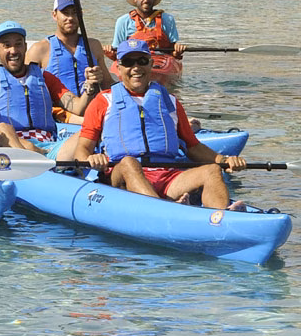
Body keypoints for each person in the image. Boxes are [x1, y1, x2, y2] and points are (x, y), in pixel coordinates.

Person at [73, 39, 246, 210]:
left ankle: (222, 217)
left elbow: (193, 146)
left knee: (212, 171)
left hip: (166, 175)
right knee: (129, 163)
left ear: (150, 64)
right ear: (118, 68)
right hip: (120, 176)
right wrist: (90, 158)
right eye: (128, 62)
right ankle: (165, 210)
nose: (136, 68)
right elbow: (82, 149)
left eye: (142, 61)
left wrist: (224, 160)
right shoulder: (103, 101)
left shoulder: (170, 101)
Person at [0, 21, 96, 157]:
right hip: (11, 146)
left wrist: (89, 87)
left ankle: (51, 165)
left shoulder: (44, 76)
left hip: (49, 147)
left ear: (25, 47)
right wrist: (28, 146)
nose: (13, 51)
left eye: (18, 44)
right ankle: (30, 161)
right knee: (2, 128)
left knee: (90, 130)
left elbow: (78, 107)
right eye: (7, 45)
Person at [27, 0, 112, 122]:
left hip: (93, 116)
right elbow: (28, 92)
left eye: (75, 12)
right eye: (65, 13)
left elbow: (107, 84)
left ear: (81, 15)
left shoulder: (93, 46)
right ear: (54, 15)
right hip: (58, 118)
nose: (70, 18)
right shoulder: (39, 50)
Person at [110, 0, 187, 57]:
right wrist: (110, 52)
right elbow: (117, 51)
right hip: (133, 61)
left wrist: (177, 50)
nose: (146, 0)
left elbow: (173, 50)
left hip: (161, 60)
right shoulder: (123, 21)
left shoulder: (168, 19)